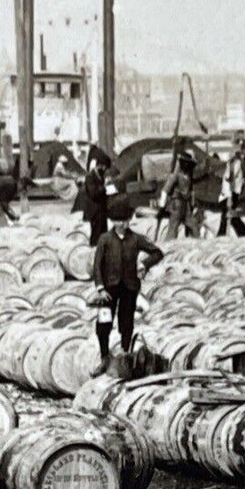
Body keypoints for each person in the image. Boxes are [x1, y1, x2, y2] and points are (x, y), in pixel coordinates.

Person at [91, 195, 163, 375]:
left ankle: (124, 356)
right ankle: (104, 358)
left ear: (129, 219)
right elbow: (97, 265)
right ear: (113, 221)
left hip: (129, 288)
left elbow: (157, 253)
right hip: (108, 290)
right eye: (118, 221)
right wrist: (100, 288)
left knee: (126, 323)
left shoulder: (136, 239)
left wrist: (144, 265)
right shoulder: (105, 240)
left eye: (124, 220)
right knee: (103, 323)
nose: (122, 224)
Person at [158, 151, 198, 240]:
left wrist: (192, 203)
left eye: (188, 163)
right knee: (173, 228)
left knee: (193, 225)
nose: (187, 165)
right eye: (185, 163)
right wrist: (162, 206)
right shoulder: (175, 176)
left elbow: (190, 191)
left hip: (186, 205)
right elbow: (165, 190)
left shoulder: (188, 176)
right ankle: (169, 246)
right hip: (176, 204)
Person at [218, 143, 245, 237]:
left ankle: (224, 234)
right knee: (228, 215)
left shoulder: (236, 164)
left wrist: (230, 196)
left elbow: (231, 179)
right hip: (228, 192)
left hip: (232, 193)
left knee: (228, 215)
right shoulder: (232, 163)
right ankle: (239, 232)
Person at [83, 149, 110, 244]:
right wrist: (104, 187)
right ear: (101, 165)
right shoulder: (90, 177)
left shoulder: (101, 175)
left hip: (102, 210)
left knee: (103, 234)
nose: (105, 169)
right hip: (94, 210)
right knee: (96, 235)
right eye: (105, 167)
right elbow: (93, 193)